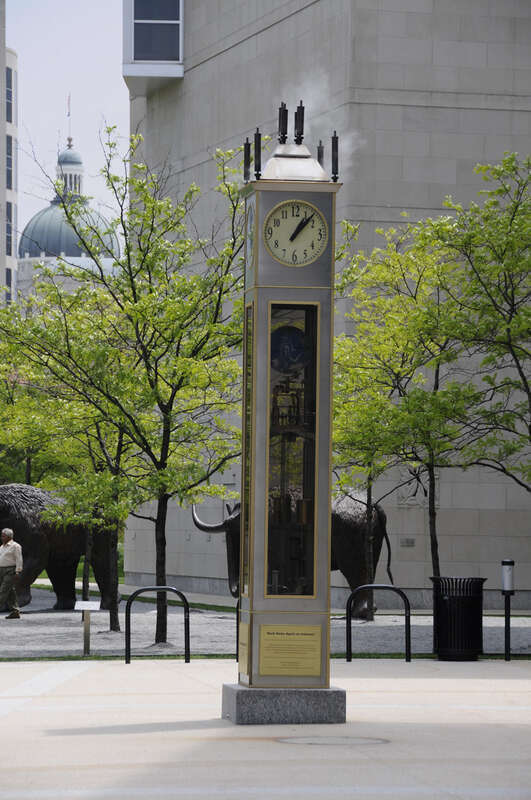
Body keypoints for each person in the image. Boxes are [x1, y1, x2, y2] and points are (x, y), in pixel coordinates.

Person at [0, 528, 23, 619]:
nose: (1, 537)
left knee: (3, 590)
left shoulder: (15, 546)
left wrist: (18, 571)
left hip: (10, 570)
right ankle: (15, 611)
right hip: (1, 570)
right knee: (10, 592)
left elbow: (19, 559)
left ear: (9, 536)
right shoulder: (1, 547)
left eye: (3, 536)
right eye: (1, 536)